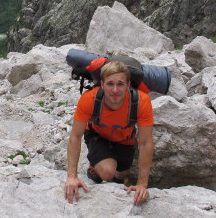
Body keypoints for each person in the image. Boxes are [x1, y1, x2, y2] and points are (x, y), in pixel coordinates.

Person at [64, 60, 154, 205]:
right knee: (108, 172)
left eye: (120, 84)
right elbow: (75, 136)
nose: (115, 90)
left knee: (122, 174)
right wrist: (71, 176)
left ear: (128, 85)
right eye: (110, 84)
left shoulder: (141, 102)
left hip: (125, 139)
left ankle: (114, 173)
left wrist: (142, 184)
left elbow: (145, 142)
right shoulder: (89, 99)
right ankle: (95, 170)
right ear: (102, 84)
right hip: (97, 135)